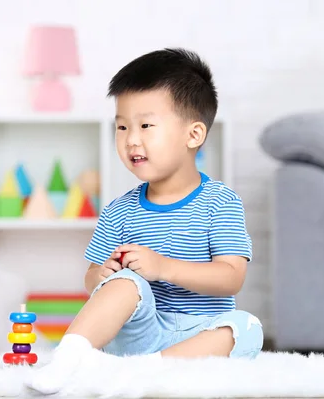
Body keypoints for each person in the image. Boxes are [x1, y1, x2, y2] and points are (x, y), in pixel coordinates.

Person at [28, 48, 263, 394]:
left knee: (248, 328)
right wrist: (103, 274)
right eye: (122, 126)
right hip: (138, 332)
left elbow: (231, 278)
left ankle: (149, 373)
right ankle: (67, 359)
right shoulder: (118, 210)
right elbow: (91, 277)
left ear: (193, 135)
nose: (131, 139)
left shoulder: (220, 202)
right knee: (126, 283)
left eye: (146, 125)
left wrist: (163, 267)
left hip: (198, 338)